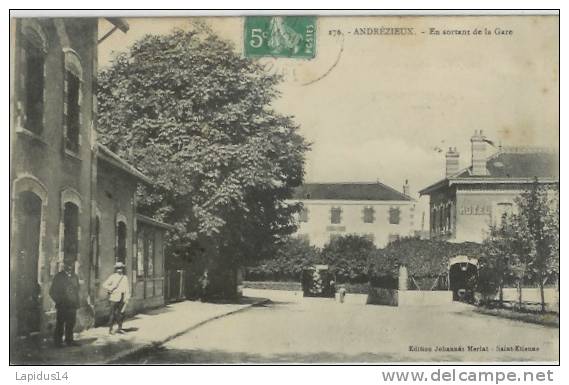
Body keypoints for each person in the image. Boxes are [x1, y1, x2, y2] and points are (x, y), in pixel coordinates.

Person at [49, 260, 80, 347]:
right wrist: (59, 301)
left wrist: (77, 302)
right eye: (68, 265)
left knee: (71, 323)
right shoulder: (59, 277)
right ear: (64, 266)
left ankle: (69, 340)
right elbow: (52, 291)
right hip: (63, 305)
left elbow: (77, 290)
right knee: (60, 323)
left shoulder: (75, 276)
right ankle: (58, 342)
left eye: (71, 265)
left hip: (72, 305)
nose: (70, 267)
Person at [103, 262, 130, 334]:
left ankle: (120, 328)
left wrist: (127, 298)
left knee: (121, 314)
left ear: (122, 269)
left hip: (122, 297)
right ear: (116, 269)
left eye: (121, 268)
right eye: (118, 268)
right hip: (114, 298)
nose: (119, 269)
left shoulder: (125, 277)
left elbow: (127, 288)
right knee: (112, 314)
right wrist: (111, 288)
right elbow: (104, 285)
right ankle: (110, 329)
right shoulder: (112, 276)